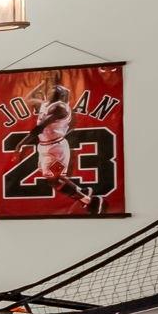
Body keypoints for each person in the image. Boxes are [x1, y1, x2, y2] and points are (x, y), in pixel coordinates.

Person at [21, 79, 103, 215]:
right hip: (45, 148)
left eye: (54, 91)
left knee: (56, 179)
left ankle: (90, 201)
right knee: (53, 180)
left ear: (60, 96)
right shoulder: (46, 104)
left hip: (55, 150)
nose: (51, 91)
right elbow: (28, 99)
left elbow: (39, 128)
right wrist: (41, 84)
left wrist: (21, 144)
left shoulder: (60, 108)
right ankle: (81, 192)